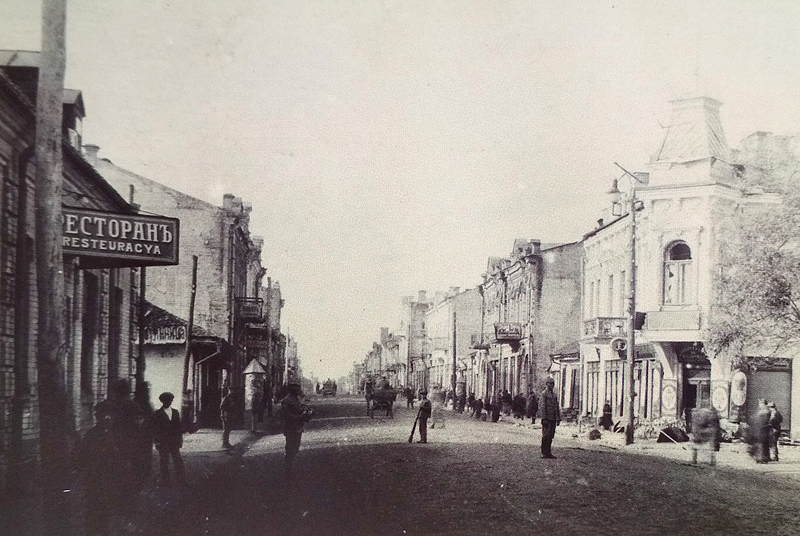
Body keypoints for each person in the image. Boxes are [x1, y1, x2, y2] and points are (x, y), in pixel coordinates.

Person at [78, 402, 120, 536]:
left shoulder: (112, 434)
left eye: (110, 416)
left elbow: (117, 455)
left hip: (108, 477)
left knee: (105, 507)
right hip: (95, 477)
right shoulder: (92, 434)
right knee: (94, 507)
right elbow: (83, 456)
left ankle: (103, 530)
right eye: (105, 416)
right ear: (99, 417)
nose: (108, 419)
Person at [152, 392, 186, 486]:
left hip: (174, 441)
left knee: (178, 460)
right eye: (167, 400)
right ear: (162, 401)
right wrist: (157, 442)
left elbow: (178, 427)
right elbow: (156, 429)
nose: (169, 402)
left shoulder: (175, 412)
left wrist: (180, 440)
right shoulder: (158, 413)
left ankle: (182, 480)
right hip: (163, 441)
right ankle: (166, 481)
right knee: (164, 461)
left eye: (171, 400)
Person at [281, 380, 312, 478]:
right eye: (296, 387)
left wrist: (307, 414)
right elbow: (287, 415)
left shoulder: (297, 400)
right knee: (290, 448)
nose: (298, 389)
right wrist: (300, 417)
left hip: (298, 427)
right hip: (290, 428)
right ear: (291, 389)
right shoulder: (286, 400)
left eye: (298, 387)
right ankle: (288, 469)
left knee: (295, 448)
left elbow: (301, 410)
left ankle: (289, 465)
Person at [537, 377, 561, 459]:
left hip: (553, 418)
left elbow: (556, 407)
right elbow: (543, 406)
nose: (551, 385)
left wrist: (558, 418)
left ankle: (549, 452)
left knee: (551, 435)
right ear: (546, 384)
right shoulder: (544, 394)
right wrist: (544, 418)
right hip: (547, 418)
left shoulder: (554, 395)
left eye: (552, 384)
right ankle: (544, 452)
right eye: (550, 383)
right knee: (546, 435)